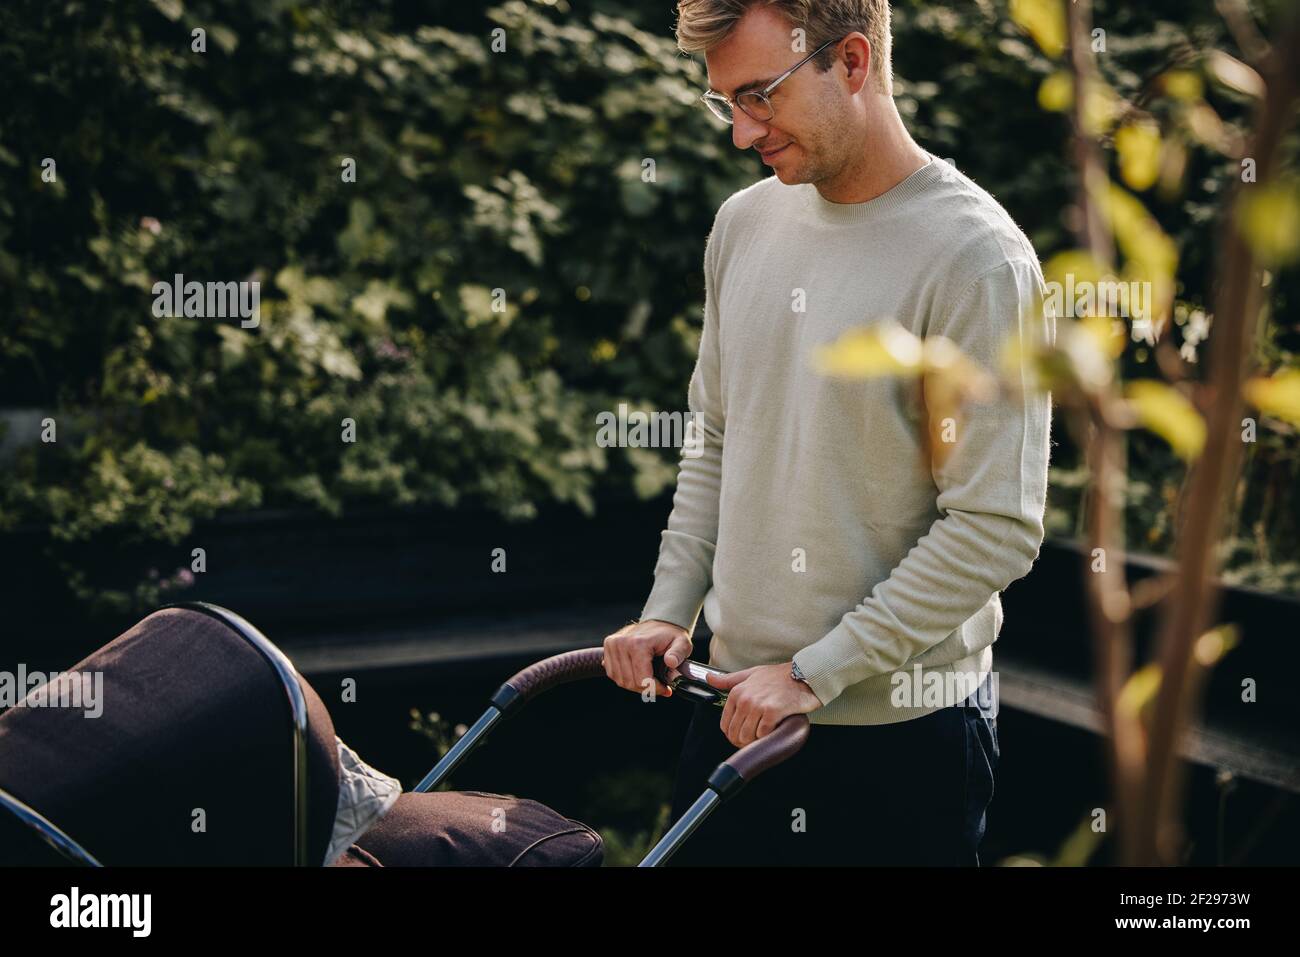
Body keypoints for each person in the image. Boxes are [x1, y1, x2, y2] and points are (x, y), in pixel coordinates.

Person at [603, 0, 1052, 866]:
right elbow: (718, 439)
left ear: (851, 62)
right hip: (731, 714)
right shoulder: (744, 223)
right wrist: (670, 609)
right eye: (725, 102)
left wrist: (815, 672)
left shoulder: (976, 258)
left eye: (760, 96)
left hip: (900, 747)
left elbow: (994, 526)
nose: (741, 133)